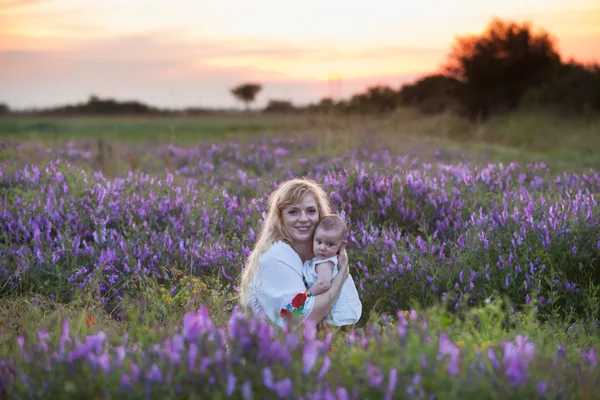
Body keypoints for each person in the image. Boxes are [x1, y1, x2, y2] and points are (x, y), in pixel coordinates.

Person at [238, 177, 351, 329]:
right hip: (270, 350)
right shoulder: (275, 256)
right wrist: (341, 275)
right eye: (293, 212)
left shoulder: (320, 256)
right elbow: (301, 319)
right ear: (280, 217)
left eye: (311, 211)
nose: (303, 219)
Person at [302, 215, 362, 326]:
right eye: (319, 242)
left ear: (341, 246)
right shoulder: (327, 260)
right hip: (344, 311)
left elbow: (323, 284)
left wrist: (307, 294)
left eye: (330, 244)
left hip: (337, 315)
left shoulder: (325, 263)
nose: (322, 247)